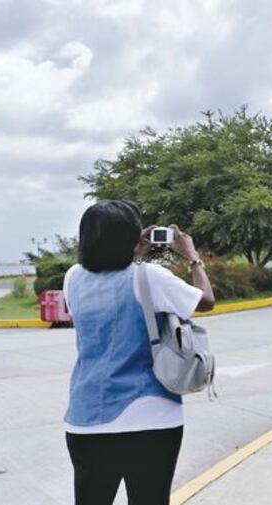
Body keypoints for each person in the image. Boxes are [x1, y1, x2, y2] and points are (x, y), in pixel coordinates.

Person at [63, 200, 215, 505]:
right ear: (132, 237)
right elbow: (206, 301)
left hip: (86, 416)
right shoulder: (149, 277)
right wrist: (192, 256)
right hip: (150, 418)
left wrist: (131, 249)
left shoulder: (73, 278)